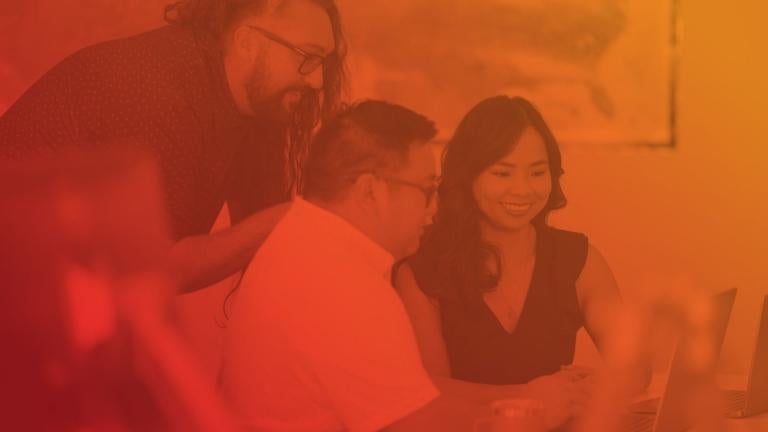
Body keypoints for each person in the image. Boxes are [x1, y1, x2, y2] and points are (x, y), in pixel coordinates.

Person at [220, 100, 586, 431]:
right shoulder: (339, 284)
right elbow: (416, 425)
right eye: (426, 190)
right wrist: (535, 410)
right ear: (371, 192)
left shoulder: (309, 244)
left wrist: (525, 395)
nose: (432, 210)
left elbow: (414, 399)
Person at [0, 0, 347, 292]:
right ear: (246, 41)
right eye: (308, 56)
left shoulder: (252, 105)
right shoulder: (160, 88)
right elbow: (157, 270)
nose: (317, 80)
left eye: (324, 64)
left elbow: (264, 250)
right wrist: (288, 218)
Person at [394, 95, 649, 405]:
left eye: (538, 173)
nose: (523, 189)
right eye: (503, 173)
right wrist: (534, 398)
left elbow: (635, 367)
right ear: (467, 176)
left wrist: (598, 385)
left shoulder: (579, 259)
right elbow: (431, 395)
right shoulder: (422, 272)